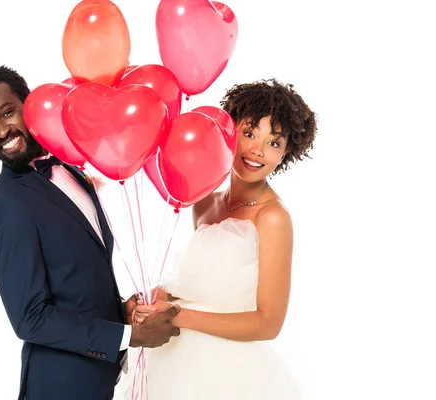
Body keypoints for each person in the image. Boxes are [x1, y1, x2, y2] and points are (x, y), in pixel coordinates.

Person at [0, 65, 180, 400]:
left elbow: (75, 279)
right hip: (59, 385)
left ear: (28, 105)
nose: (1, 131)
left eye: (7, 112)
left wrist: (121, 312)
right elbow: (31, 319)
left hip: (98, 380)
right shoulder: (5, 204)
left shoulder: (70, 171)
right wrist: (128, 337)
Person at [133, 79, 317, 399]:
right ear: (231, 132)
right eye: (249, 134)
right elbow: (204, 283)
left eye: (274, 143)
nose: (258, 150)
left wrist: (178, 316)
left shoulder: (272, 218)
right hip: (177, 358)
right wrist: (159, 297)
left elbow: (268, 323)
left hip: (228, 371)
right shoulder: (205, 202)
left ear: (287, 152)